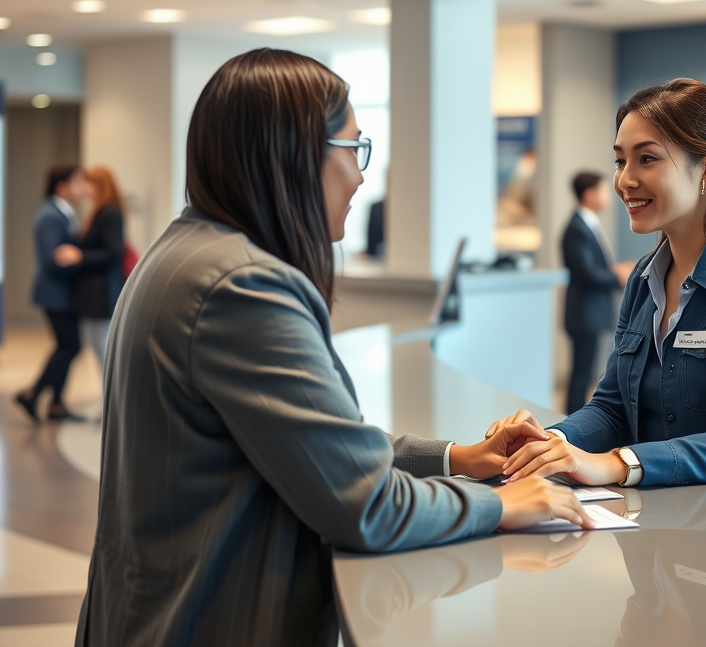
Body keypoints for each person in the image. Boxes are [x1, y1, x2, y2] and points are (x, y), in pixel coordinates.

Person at [75, 49, 591, 647]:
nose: (362, 175)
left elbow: (321, 448)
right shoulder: (242, 285)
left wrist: (459, 457)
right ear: (294, 154)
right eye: (355, 149)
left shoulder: (187, 252)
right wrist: (500, 505)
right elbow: (366, 507)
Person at [486, 78, 706, 491]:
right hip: (648, 529)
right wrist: (551, 443)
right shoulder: (645, 279)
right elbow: (612, 409)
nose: (625, 180)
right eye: (620, 161)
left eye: (647, 159)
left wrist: (616, 465)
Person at [14, 164, 87, 424]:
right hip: (55, 293)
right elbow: (52, 259)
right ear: (62, 187)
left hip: (65, 294)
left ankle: (56, 403)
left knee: (68, 346)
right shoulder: (50, 215)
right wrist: (81, 261)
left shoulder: (64, 213)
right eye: (77, 183)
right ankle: (32, 393)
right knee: (70, 345)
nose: (82, 189)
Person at [561, 172, 633, 414]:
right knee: (581, 374)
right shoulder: (577, 227)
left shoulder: (588, 223)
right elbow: (587, 273)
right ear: (589, 194)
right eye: (603, 191)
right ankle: (569, 423)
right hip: (584, 314)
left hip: (590, 312)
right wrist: (617, 276)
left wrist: (615, 271)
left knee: (586, 372)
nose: (609, 196)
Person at [53, 166, 126, 379]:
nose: (84, 188)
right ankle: (109, 405)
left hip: (101, 293)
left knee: (103, 350)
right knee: (97, 348)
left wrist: (80, 256)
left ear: (99, 186)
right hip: (94, 294)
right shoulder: (100, 211)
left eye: (88, 183)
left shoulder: (109, 212)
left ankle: (112, 407)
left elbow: (114, 253)